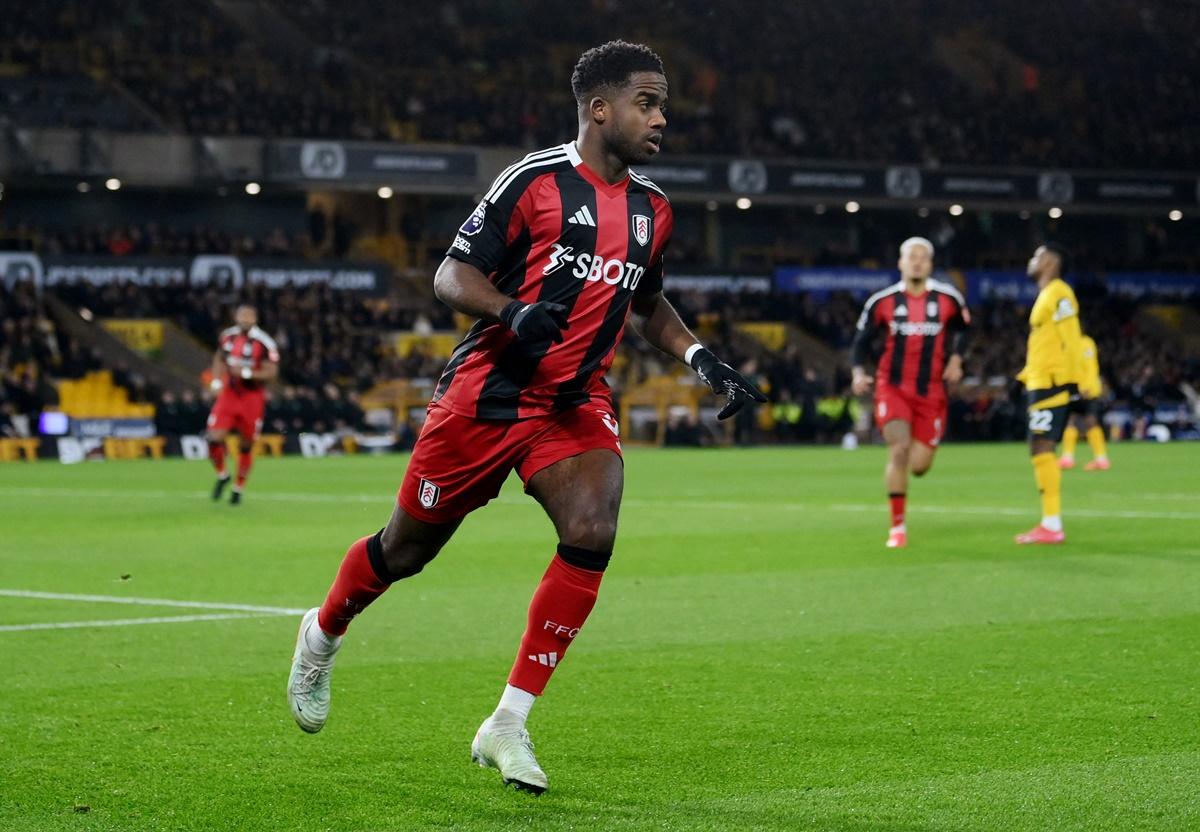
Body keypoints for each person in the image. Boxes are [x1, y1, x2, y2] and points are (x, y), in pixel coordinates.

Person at [285, 40, 764, 795]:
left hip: (574, 402)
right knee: (405, 550)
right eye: (647, 101)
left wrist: (700, 358)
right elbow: (451, 273)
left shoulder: (653, 209)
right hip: (488, 394)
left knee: (593, 527)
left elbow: (645, 301)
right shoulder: (535, 182)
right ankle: (323, 631)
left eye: (663, 103)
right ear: (599, 108)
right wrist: (514, 311)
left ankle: (507, 722)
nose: (661, 117)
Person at [850, 237, 970, 548]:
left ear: (930, 265)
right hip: (893, 388)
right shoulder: (883, 301)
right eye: (911, 257)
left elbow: (962, 330)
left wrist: (956, 360)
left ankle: (902, 511)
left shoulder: (948, 299)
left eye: (923, 257)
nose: (916, 262)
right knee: (899, 449)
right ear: (901, 263)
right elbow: (860, 342)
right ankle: (898, 527)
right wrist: (858, 372)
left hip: (931, 393)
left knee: (919, 466)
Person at [1015, 243, 1082, 544]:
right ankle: (1050, 523)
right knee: (1040, 447)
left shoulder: (1059, 292)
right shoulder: (1048, 294)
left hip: (1053, 381)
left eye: (1037, 256)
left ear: (1051, 262)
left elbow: (1071, 337)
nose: (1031, 261)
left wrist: (1075, 381)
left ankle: (1052, 525)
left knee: (1041, 446)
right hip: (1039, 379)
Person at [205, 305, 280, 505]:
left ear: (255, 318)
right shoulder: (227, 337)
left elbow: (272, 372)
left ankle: (238, 488)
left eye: (249, 315)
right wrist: (216, 381)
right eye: (242, 315)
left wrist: (247, 373)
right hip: (229, 394)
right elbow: (219, 358)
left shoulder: (264, 343)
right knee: (213, 438)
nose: (245, 319)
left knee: (246, 445)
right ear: (236, 316)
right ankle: (222, 475)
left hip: (252, 397)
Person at [1059, 332, 1110, 471]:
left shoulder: (1085, 343)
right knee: (1072, 420)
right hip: (1075, 388)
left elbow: (1089, 367)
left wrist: (1085, 387)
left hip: (1086, 389)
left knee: (1089, 421)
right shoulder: (1069, 342)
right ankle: (1068, 458)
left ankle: (1101, 459)